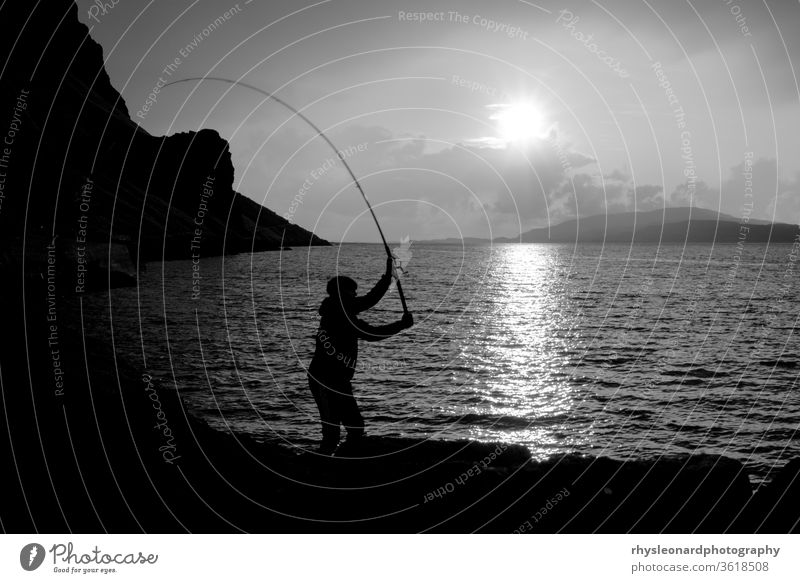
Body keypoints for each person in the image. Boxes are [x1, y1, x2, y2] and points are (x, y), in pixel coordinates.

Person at [307, 256, 413, 454]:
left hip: (339, 381)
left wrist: (388, 276)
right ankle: (318, 473)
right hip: (324, 380)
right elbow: (371, 333)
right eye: (352, 293)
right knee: (332, 433)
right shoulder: (339, 314)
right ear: (341, 295)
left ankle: (343, 466)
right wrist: (400, 325)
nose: (355, 296)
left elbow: (370, 299)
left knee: (355, 427)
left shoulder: (339, 306)